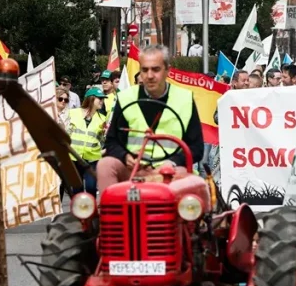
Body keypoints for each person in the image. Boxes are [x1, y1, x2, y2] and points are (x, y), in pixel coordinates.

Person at [97, 44, 205, 198]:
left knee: (191, 182)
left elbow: (196, 147)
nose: (149, 75)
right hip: (135, 167)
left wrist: (173, 162)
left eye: (156, 69)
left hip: (171, 170)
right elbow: (112, 142)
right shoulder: (126, 97)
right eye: (145, 69)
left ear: (167, 70)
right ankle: (109, 215)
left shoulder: (185, 99)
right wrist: (125, 157)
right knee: (105, 165)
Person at [61, 86, 107, 200]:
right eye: (99, 99)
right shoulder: (72, 113)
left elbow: (102, 140)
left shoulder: (102, 119)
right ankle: (80, 213)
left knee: (91, 187)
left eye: (103, 99)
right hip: (74, 157)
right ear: (91, 99)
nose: (102, 101)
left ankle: (91, 212)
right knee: (77, 188)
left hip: (92, 159)